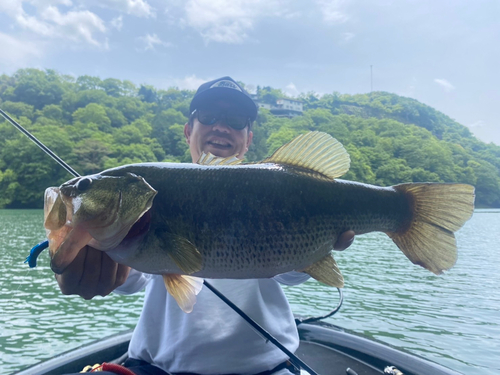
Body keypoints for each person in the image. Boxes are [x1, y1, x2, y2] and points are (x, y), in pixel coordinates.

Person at [56, 77, 355, 375]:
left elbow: (287, 276)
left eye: (236, 119)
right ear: (188, 132)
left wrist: (315, 244)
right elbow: (129, 277)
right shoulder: (154, 198)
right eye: (208, 116)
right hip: (154, 368)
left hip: (266, 369)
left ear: (249, 139)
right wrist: (90, 268)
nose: (221, 126)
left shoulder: (280, 190)